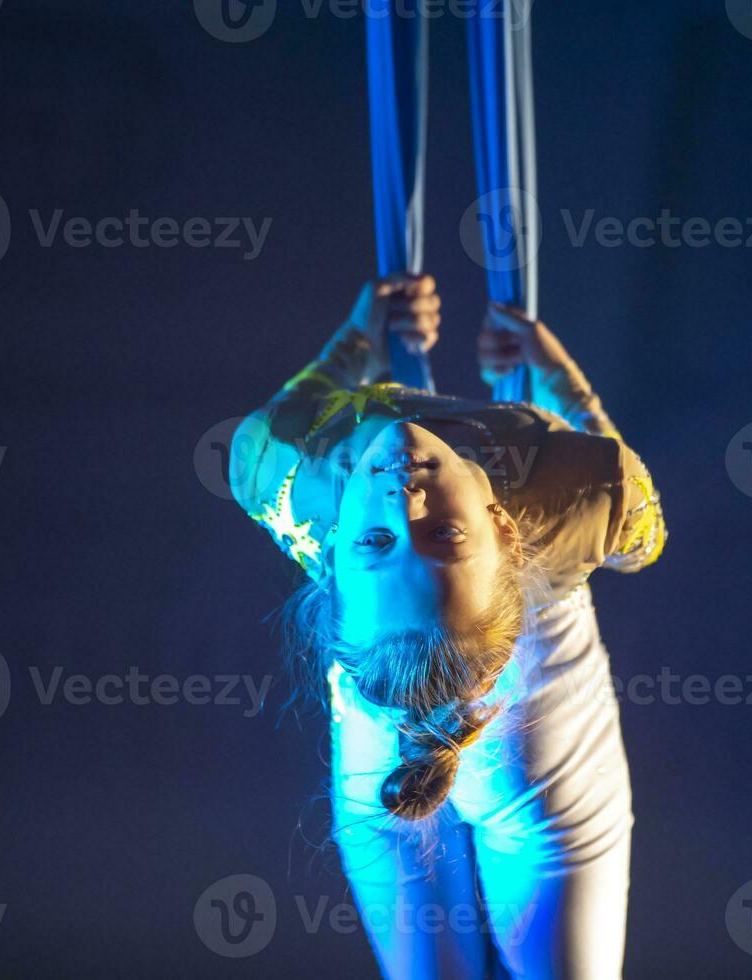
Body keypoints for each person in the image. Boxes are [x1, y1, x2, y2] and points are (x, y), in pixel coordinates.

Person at [230, 274, 665, 978]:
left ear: (333, 551)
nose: (403, 499)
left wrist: (360, 339)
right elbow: (641, 538)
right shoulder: (580, 493)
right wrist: (558, 382)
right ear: (503, 530)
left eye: (375, 542)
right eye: (443, 535)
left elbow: (297, 408)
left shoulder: (285, 471)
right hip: (537, 759)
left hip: (390, 781)